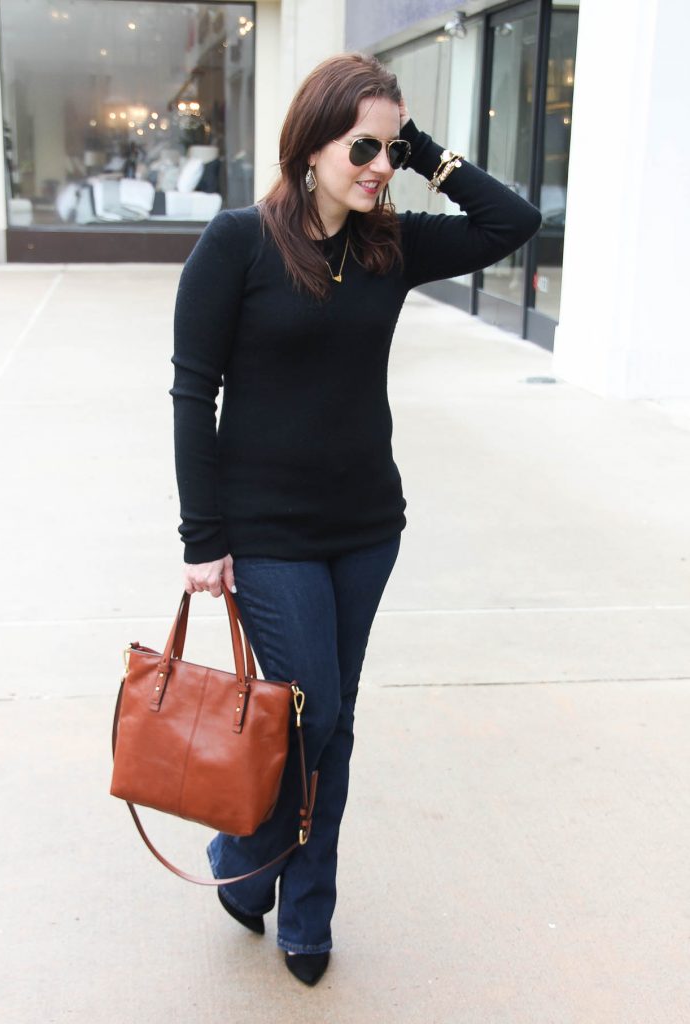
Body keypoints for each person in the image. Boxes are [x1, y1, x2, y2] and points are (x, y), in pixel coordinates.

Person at [171, 52, 541, 987]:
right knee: (315, 710)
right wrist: (202, 539)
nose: (379, 164)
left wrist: (420, 151)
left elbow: (515, 222)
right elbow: (191, 393)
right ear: (311, 144)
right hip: (269, 533)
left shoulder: (389, 245)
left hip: (368, 528)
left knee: (328, 724)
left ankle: (288, 901)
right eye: (362, 145)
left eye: (391, 145)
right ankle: (254, 872)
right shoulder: (238, 243)